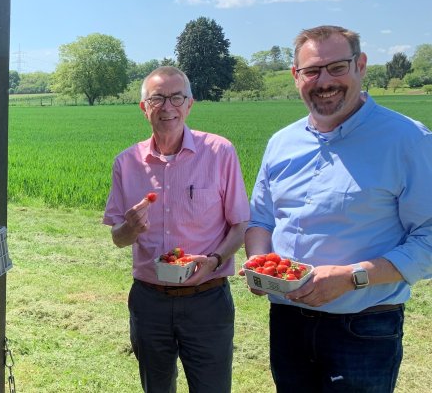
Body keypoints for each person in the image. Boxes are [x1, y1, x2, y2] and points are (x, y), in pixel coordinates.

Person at [245, 25, 432, 392]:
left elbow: (429, 239)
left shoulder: (407, 140)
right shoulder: (282, 143)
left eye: (336, 67)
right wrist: (258, 262)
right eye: (312, 71)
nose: (324, 81)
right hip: (287, 321)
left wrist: (351, 277)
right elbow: (260, 219)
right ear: (295, 77)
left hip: (362, 327)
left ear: (360, 65)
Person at [103, 66, 249, 393]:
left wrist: (214, 259)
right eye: (157, 98)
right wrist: (131, 228)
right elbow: (117, 237)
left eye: (176, 97)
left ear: (189, 104)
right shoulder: (126, 163)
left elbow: (240, 225)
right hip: (149, 301)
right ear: (144, 108)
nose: (167, 107)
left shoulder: (220, 152)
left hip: (207, 298)